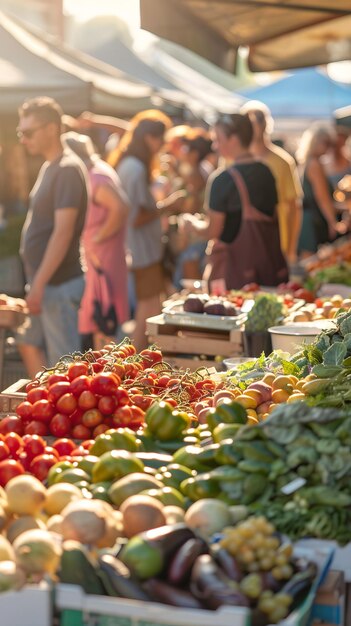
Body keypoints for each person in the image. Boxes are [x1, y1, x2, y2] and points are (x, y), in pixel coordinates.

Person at [17, 97, 88, 377]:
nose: (23, 140)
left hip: (58, 284)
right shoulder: (52, 166)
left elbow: (62, 233)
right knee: (27, 342)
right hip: (46, 283)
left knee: (65, 367)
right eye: (20, 133)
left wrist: (39, 285)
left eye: (28, 132)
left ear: (51, 128)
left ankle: (64, 415)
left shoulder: (68, 169)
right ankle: (45, 403)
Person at [184, 113, 288, 290]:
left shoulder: (222, 180)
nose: (214, 146)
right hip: (269, 269)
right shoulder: (266, 172)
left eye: (217, 139)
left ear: (233, 139)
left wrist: (191, 224)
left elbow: (212, 230)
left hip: (236, 277)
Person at [112, 110, 185, 350]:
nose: (162, 145)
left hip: (140, 248)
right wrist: (168, 206)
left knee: (150, 305)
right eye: (161, 139)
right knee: (148, 308)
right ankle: (134, 358)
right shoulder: (135, 168)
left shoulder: (129, 163)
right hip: (141, 248)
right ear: (149, 138)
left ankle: (136, 358)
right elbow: (136, 217)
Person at [62, 132, 129, 351]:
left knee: (102, 319)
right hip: (103, 257)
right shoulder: (98, 171)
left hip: (102, 258)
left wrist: (96, 238)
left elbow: (120, 208)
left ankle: (107, 372)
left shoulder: (95, 176)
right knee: (100, 318)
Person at [240, 101, 303, 264]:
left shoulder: (283, 162)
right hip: (244, 240)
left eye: (253, 124)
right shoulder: (233, 160)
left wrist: (291, 249)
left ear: (264, 126)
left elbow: (294, 207)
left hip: (276, 241)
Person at [296, 125, 342, 256]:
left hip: (309, 218)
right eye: (326, 143)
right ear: (316, 141)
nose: (328, 148)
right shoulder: (314, 164)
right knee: (311, 262)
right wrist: (333, 222)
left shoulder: (309, 161)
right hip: (313, 221)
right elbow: (322, 197)